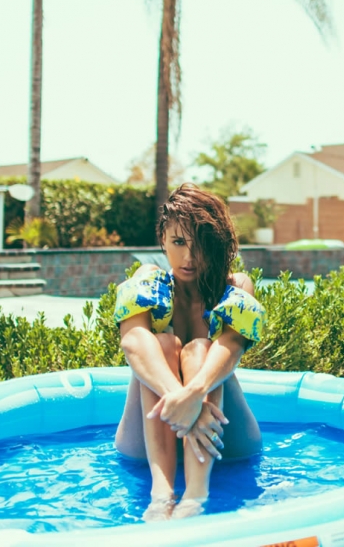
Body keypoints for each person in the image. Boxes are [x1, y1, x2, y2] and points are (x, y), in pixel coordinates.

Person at [113, 184, 266, 521]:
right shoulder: (149, 279)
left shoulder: (235, 286)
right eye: (178, 242)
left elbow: (232, 344)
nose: (189, 257)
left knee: (200, 350)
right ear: (163, 241)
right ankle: (162, 493)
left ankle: (196, 495)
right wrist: (183, 401)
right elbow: (134, 340)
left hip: (226, 440)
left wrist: (196, 394)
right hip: (150, 438)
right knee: (164, 344)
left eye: (200, 244)